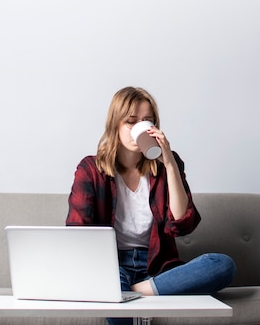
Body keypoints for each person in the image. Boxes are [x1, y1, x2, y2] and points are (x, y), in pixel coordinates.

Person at [66, 86, 236, 324]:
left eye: (147, 121)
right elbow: (77, 231)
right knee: (110, 283)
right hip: (113, 266)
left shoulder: (167, 165)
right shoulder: (91, 169)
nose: (140, 127)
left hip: (157, 268)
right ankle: (125, 291)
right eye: (131, 121)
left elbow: (182, 224)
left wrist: (168, 162)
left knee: (222, 265)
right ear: (115, 124)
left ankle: (134, 292)